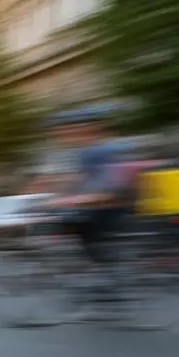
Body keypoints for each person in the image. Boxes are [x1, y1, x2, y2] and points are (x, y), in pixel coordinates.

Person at [45, 105, 132, 270]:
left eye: (69, 128)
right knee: (63, 217)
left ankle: (106, 271)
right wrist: (58, 193)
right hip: (101, 204)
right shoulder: (87, 152)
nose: (62, 134)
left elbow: (110, 192)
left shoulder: (105, 151)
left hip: (113, 208)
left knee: (72, 220)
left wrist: (66, 201)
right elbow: (79, 180)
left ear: (91, 127)